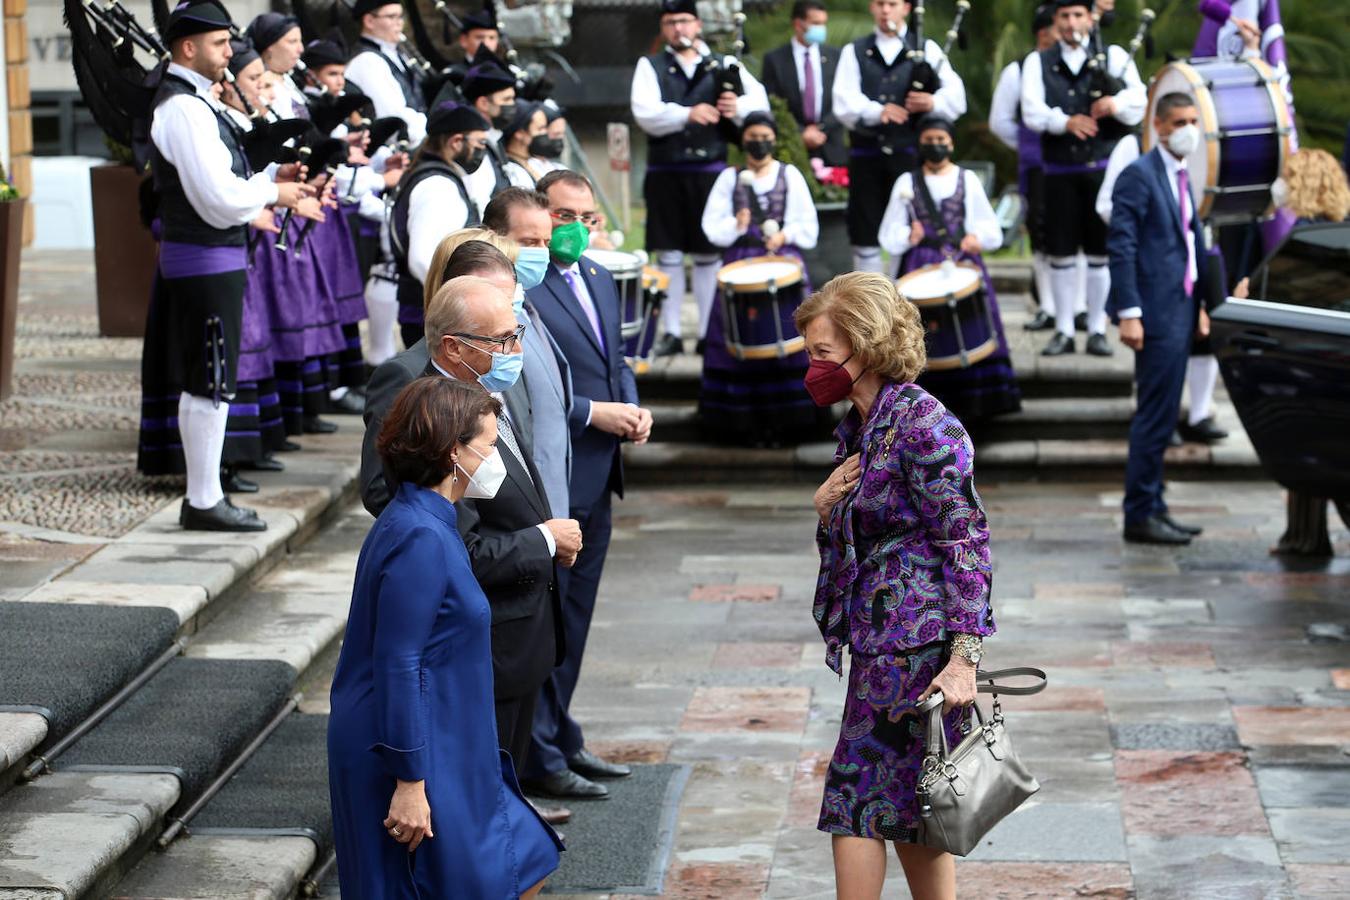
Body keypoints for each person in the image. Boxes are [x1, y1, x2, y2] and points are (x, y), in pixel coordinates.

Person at [793, 271, 994, 900]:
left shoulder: (922, 424)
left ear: (866, 347)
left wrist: (964, 661)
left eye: (823, 353)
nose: (812, 366)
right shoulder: (863, 423)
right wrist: (826, 508)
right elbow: (862, 529)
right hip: (883, 642)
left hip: (914, 650)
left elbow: (965, 543)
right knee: (910, 804)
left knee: (856, 799)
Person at [328, 375, 563, 899]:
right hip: (413, 750)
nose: (494, 454)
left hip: (446, 740)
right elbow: (397, 662)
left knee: (523, 862)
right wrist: (410, 781)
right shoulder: (420, 536)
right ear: (451, 453)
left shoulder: (429, 520)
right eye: (487, 444)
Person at [136, 0, 314, 532]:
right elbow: (216, 198)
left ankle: (205, 496)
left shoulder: (194, 103)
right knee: (210, 380)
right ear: (187, 47)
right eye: (218, 44)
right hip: (204, 257)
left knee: (209, 380)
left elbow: (222, 186)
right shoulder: (184, 108)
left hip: (211, 256)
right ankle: (204, 500)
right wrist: (273, 191)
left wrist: (267, 179)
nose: (227, 53)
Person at [523, 170, 653, 800]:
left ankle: (561, 733)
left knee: (577, 617)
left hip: (601, 472)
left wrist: (631, 407)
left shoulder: (599, 277)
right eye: (562, 214)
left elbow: (616, 359)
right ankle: (539, 751)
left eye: (587, 216)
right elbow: (529, 381)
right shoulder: (526, 284)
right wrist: (591, 412)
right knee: (550, 616)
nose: (575, 227)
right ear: (541, 215)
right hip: (558, 471)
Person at [631, 0, 770, 357]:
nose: (678, 29)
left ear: (697, 24)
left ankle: (709, 332)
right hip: (667, 172)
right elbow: (644, 113)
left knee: (709, 253)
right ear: (664, 28)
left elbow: (760, 105)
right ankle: (673, 332)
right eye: (671, 23)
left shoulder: (725, 65)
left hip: (711, 173)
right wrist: (687, 114)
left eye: (684, 21)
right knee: (670, 253)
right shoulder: (651, 65)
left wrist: (735, 109)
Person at [1107, 92, 1214, 545]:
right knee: (1154, 416)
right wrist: (1130, 312)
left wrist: (1202, 303)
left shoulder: (1182, 174)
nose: (1189, 128)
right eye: (1179, 121)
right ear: (1159, 126)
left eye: (1194, 120)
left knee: (1168, 413)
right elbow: (1122, 245)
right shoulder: (1139, 175)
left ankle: (1156, 503)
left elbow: (1188, 244)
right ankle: (1138, 514)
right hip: (1153, 311)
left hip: (1181, 305)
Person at [1021, 0, 1145, 357]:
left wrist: (1116, 104)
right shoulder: (1038, 61)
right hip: (1059, 171)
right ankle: (1062, 329)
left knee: (1099, 253)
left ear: (1091, 18)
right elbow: (1032, 110)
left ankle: (1095, 329)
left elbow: (1141, 97)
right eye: (1065, 16)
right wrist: (1065, 122)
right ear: (1056, 22)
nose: (1072, 23)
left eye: (1078, 15)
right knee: (1060, 252)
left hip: (1102, 172)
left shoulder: (1116, 55)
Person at [879, 116, 1021, 426]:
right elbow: (887, 235)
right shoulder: (906, 182)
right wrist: (909, 236)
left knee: (970, 329)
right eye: (929, 141)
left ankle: (976, 412)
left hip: (960, 263)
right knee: (923, 336)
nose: (936, 146)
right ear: (920, 144)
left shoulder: (967, 179)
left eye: (941, 141)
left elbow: (992, 230)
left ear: (951, 143)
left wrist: (976, 238)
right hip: (919, 266)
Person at [698, 111, 823, 444]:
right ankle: (744, 426)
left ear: (774, 139)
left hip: (783, 265)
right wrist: (737, 224)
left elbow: (809, 227)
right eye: (752, 136)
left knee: (790, 338)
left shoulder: (790, 175)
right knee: (740, 339)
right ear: (743, 140)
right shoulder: (729, 178)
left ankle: (790, 422)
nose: (759, 142)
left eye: (765, 136)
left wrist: (785, 235)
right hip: (740, 265)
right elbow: (711, 228)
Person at [1257, 148, 1350, 556]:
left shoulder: (1301, 238)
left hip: (1309, 353)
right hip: (1332, 349)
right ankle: (1304, 536)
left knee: (1312, 449)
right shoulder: (1340, 230)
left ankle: (1305, 536)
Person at [832, 0, 967, 276]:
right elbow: (842, 101)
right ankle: (866, 302)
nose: (885, 10)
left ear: (906, 8)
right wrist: (876, 110)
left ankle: (903, 303)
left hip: (909, 156)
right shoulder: (854, 51)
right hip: (867, 155)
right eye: (880, 3)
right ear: (871, 7)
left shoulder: (926, 48)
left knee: (910, 229)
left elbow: (956, 97)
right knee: (865, 233)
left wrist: (931, 102)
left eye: (892, 3)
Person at [484, 187, 576, 520]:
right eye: (528, 243)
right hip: (517, 517)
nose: (540, 253)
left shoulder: (527, 305)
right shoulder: (487, 324)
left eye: (545, 244)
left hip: (550, 503)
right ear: (495, 239)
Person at [389, 102, 490, 349]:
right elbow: (423, 260)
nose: (482, 151)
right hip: (436, 318)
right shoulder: (438, 186)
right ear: (456, 142)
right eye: (479, 144)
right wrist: (463, 306)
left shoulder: (439, 177)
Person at [989, 3, 1060, 332]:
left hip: (1079, 165)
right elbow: (1000, 121)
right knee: (1043, 237)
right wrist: (1030, 145)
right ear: (1043, 34)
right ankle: (1047, 305)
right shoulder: (1020, 70)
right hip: (1038, 166)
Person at [761, 0, 847, 168]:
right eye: (815, 23)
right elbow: (772, 104)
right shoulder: (775, 60)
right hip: (791, 147)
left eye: (823, 23)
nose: (821, 29)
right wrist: (800, 133)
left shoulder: (836, 56)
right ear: (798, 24)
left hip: (831, 146)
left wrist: (820, 130)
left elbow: (844, 98)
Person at [345, 0, 427, 145]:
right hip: (395, 150)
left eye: (400, 16)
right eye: (391, 17)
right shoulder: (367, 61)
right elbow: (392, 118)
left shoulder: (396, 54)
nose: (399, 23)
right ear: (369, 21)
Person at [461, 56, 519, 215]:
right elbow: (479, 206)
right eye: (507, 99)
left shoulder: (494, 141)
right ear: (484, 104)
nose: (513, 106)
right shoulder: (474, 147)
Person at [500, 101, 550, 189]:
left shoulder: (535, 163)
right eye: (540, 129)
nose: (545, 133)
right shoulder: (510, 170)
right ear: (519, 133)